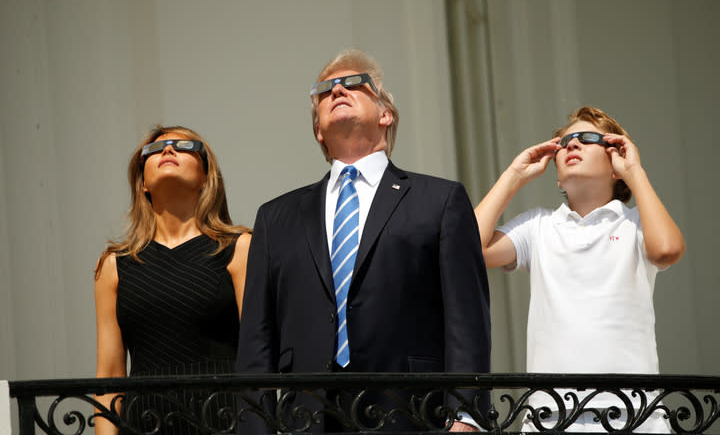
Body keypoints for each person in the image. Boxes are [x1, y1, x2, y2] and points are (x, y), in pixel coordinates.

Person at [236, 49, 491, 432]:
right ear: (319, 130)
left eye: (355, 82)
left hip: (411, 414)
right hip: (307, 420)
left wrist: (466, 415)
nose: (337, 88)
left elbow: (466, 318)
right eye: (324, 90)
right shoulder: (276, 218)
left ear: (385, 114)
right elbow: (257, 341)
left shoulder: (439, 201)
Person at [474, 106, 685, 432]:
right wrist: (514, 177)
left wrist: (635, 173)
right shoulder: (539, 225)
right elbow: (468, 249)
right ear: (556, 173)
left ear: (616, 163)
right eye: (565, 142)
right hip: (551, 415)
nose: (572, 145)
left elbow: (667, 250)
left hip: (633, 413)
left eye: (588, 139)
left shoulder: (635, 224)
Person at [94, 125, 251, 435]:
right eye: (154, 150)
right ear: (142, 184)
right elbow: (109, 376)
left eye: (183, 145)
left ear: (206, 174)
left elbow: (256, 357)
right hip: (144, 424)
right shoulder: (114, 265)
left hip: (222, 421)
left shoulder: (240, 248)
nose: (167, 150)